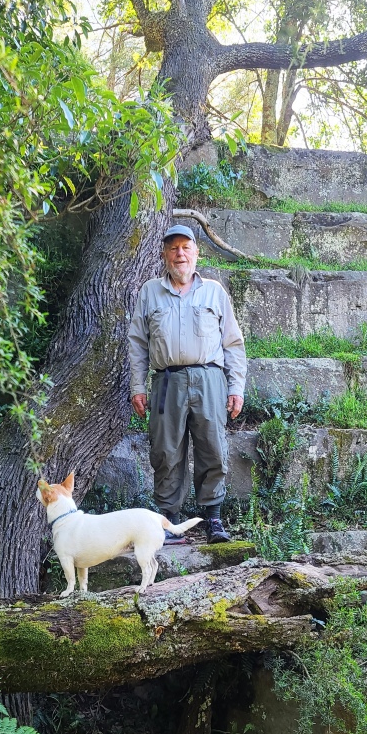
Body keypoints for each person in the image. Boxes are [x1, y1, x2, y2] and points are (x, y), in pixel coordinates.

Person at [128, 224, 247, 544]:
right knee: (166, 451)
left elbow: (233, 344)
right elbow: (137, 343)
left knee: (213, 447)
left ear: (196, 252)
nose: (180, 254)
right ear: (164, 254)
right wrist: (137, 387)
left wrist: (236, 388)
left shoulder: (214, 291)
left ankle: (213, 519)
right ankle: (170, 522)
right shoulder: (149, 292)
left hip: (209, 379)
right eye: (173, 248)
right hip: (167, 382)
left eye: (186, 247)